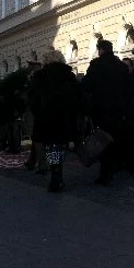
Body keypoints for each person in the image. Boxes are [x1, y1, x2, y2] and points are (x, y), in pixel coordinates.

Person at [29, 49, 81, 192]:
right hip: (65, 118)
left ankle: (55, 174)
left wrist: (38, 112)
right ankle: (58, 173)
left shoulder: (40, 76)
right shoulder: (69, 76)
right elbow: (77, 97)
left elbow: (32, 98)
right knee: (61, 145)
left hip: (46, 118)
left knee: (51, 146)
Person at [81, 40, 130, 185]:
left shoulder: (96, 64)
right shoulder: (121, 66)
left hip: (100, 109)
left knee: (101, 141)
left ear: (100, 50)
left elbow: (86, 85)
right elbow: (127, 88)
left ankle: (104, 172)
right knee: (114, 139)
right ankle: (112, 167)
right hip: (118, 110)